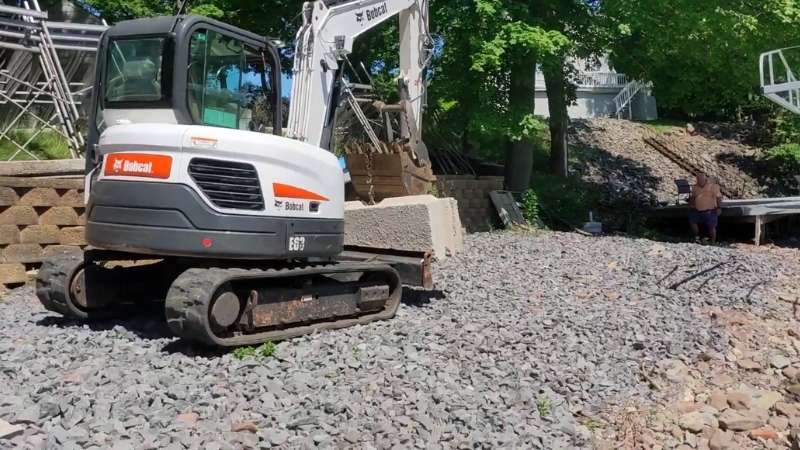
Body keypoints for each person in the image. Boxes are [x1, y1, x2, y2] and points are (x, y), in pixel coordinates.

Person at [689, 173, 723, 243]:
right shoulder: (695, 187)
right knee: (692, 221)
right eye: (698, 179)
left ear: (705, 179)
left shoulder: (713, 186)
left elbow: (719, 197)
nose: (699, 181)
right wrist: (691, 204)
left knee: (711, 226)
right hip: (698, 209)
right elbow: (693, 197)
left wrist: (719, 207)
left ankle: (713, 241)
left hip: (711, 210)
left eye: (701, 179)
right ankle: (697, 237)